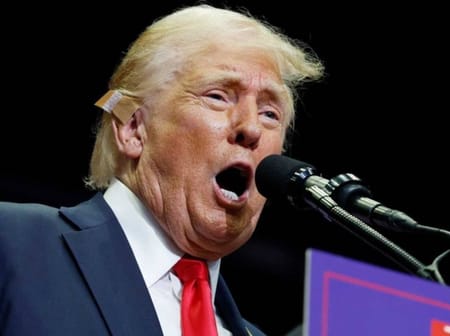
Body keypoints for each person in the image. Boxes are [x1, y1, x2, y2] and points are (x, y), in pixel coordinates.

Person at [0, 4, 323, 336]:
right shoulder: (11, 242)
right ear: (132, 129)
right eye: (218, 96)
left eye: (270, 113)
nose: (252, 128)